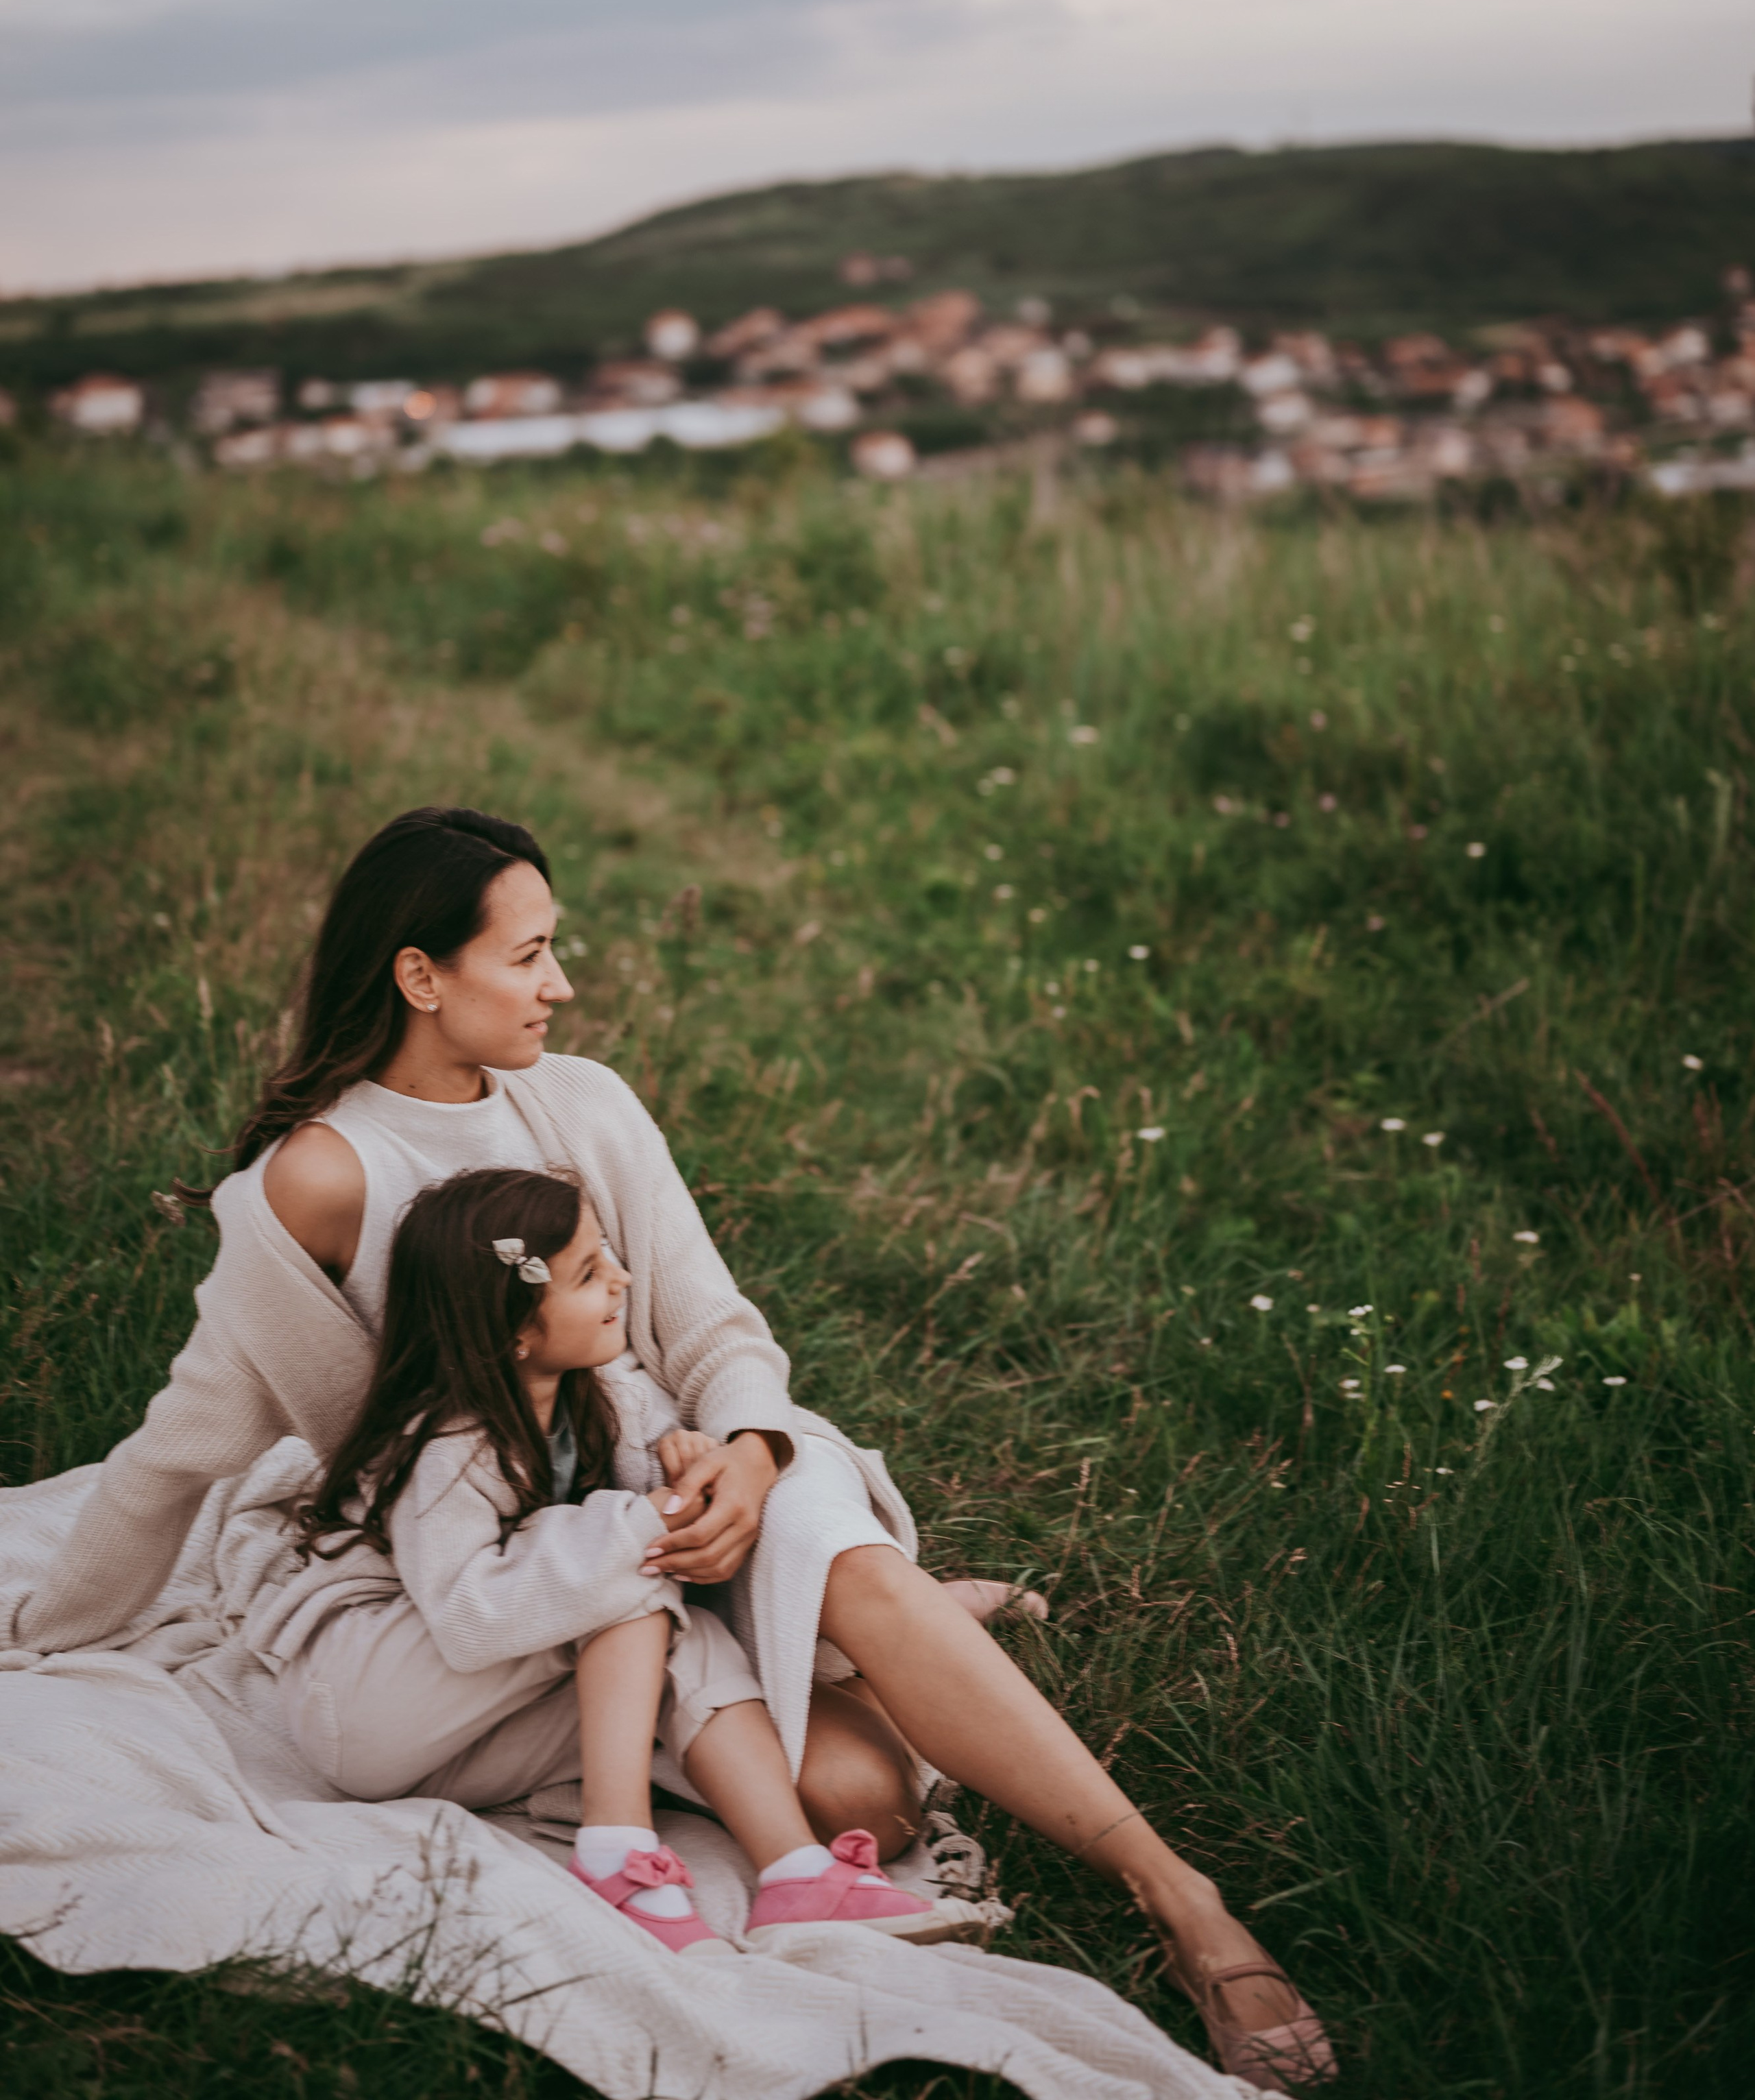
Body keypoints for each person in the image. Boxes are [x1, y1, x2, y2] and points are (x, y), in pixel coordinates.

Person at [18, 805, 1333, 2090]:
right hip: (504, 1554)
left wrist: (752, 1452)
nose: (563, 984)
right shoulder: (316, 1182)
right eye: (528, 954)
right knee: (853, 1788)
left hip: (676, 1456)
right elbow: (188, 1442)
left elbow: (712, 1327)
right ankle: (891, 1650)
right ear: (421, 974)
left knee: (839, 1546)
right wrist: (48, 1618)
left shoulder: (582, 1105)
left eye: (554, 945)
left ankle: (1186, 1899)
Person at [253, 1163, 969, 1953]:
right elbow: (468, 1618)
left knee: (676, 1627)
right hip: (369, 1704)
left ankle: (794, 1871)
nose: (623, 1279)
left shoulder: (596, 1394)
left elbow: (644, 1500)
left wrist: (687, 1464)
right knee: (627, 1571)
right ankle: (619, 1843)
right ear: (513, 1328)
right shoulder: (448, 1445)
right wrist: (648, 1520)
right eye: (591, 1272)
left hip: (464, 1741)